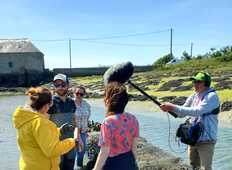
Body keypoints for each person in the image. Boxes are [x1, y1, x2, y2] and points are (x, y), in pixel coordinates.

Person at [160, 72, 220, 170]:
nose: (195, 84)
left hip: (207, 140)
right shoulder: (194, 95)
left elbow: (197, 111)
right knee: (193, 165)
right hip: (193, 138)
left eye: (198, 82)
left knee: (206, 168)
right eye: (194, 81)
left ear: (206, 83)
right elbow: (182, 113)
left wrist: (172, 106)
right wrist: (169, 109)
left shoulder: (212, 96)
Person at [12, 87, 81, 170]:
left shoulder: (25, 119)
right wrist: (73, 141)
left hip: (28, 165)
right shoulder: (41, 123)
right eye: (50, 104)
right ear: (45, 105)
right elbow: (52, 150)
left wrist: (58, 131)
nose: (50, 107)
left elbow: (37, 138)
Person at [93, 82, 139, 170]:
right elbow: (134, 147)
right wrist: (135, 164)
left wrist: (95, 169)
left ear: (108, 100)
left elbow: (104, 151)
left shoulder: (108, 122)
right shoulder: (133, 118)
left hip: (113, 163)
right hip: (129, 160)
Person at [48, 73, 77, 170]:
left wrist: (78, 138)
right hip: (56, 145)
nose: (60, 87)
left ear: (68, 85)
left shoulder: (72, 102)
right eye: (57, 85)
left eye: (63, 85)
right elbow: (44, 124)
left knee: (70, 166)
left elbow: (74, 121)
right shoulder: (50, 102)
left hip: (70, 143)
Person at [74, 86, 91, 169]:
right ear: (74, 93)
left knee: (81, 152)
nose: (79, 96)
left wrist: (85, 128)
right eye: (77, 93)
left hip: (83, 132)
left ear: (84, 94)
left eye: (81, 94)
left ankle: (79, 167)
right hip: (73, 133)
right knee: (74, 153)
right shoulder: (70, 104)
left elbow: (88, 116)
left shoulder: (86, 104)